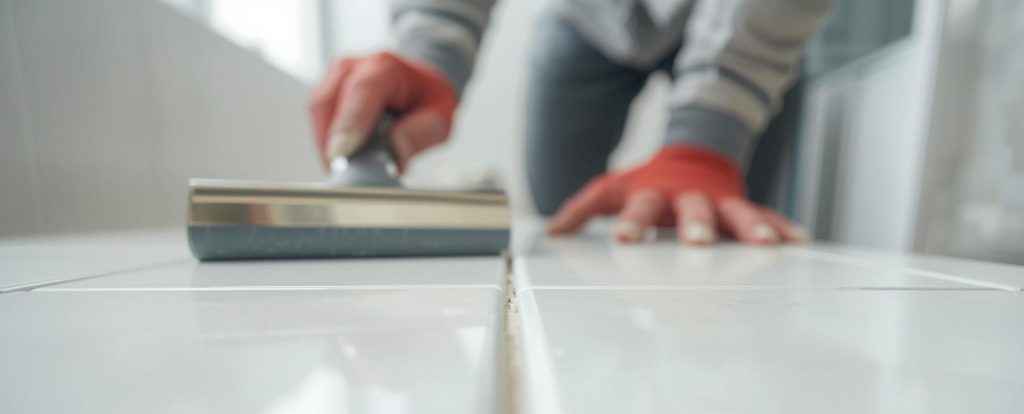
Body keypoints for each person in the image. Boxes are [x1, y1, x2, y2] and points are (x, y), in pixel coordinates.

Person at [309, 0, 831, 245]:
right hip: (585, 19)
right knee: (564, 214)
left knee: (718, 216)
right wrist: (430, 48)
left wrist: (704, 146)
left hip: (751, 21)